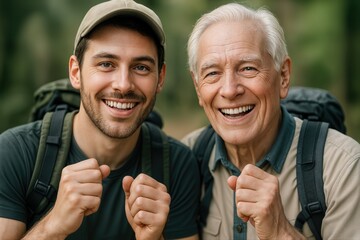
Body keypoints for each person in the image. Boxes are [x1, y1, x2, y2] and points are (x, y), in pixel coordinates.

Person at [0, 0, 200, 239]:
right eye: (106, 64)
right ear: (76, 72)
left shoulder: (176, 165)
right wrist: (53, 226)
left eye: (142, 67)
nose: (124, 84)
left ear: (160, 78)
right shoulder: (15, 152)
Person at [183, 3, 360, 240]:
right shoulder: (186, 159)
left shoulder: (343, 167)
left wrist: (281, 231)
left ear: (283, 76)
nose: (229, 90)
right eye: (212, 73)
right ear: (197, 88)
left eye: (247, 68)